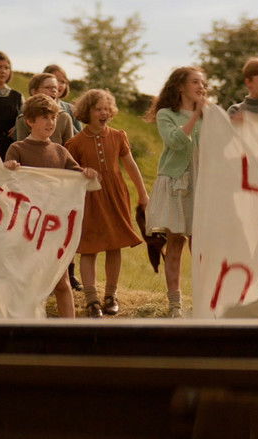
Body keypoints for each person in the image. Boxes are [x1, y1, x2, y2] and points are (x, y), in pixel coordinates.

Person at [3, 94, 98, 318]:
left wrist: (86, 173)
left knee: (61, 282)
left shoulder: (60, 151)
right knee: (24, 280)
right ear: (30, 121)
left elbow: (77, 178)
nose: (50, 122)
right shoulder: (18, 148)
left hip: (53, 227)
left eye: (53, 118)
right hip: (26, 228)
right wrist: (8, 168)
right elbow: (5, 184)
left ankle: (69, 331)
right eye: (44, 117)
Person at [66, 89, 148, 318]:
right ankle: (91, 300)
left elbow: (131, 166)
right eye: (98, 109)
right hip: (90, 199)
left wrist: (143, 194)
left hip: (116, 195)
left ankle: (111, 296)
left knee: (115, 244)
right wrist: (82, 171)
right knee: (89, 248)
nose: (104, 113)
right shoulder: (75, 143)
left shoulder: (118, 136)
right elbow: (69, 172)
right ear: (87, 111)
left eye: (106, 109)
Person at [144, 66, 207, 317]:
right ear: (180, 86)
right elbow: (175, 142)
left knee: (201, 247)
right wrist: (195, 116)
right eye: (195, 82)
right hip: (176, 185)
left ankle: (204, 301)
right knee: (176, 243)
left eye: (203, 83)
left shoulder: (209, 116)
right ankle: (175, 304)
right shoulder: (166, 114)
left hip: (202, 184)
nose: (201, 87)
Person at [16, 73, 75, 144]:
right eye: (48, 87)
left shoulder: (64, 117)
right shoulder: (23, 119)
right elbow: (21, 147)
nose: (54, 90)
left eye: (55, 88)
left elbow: (69, 147)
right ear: (34, 92)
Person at [43, 64, 82, 133]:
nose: (59, 85)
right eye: (55, 80)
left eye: (63, 82)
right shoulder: (31, 106)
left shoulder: (71, 109)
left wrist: (66, 121)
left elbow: (80, 136)